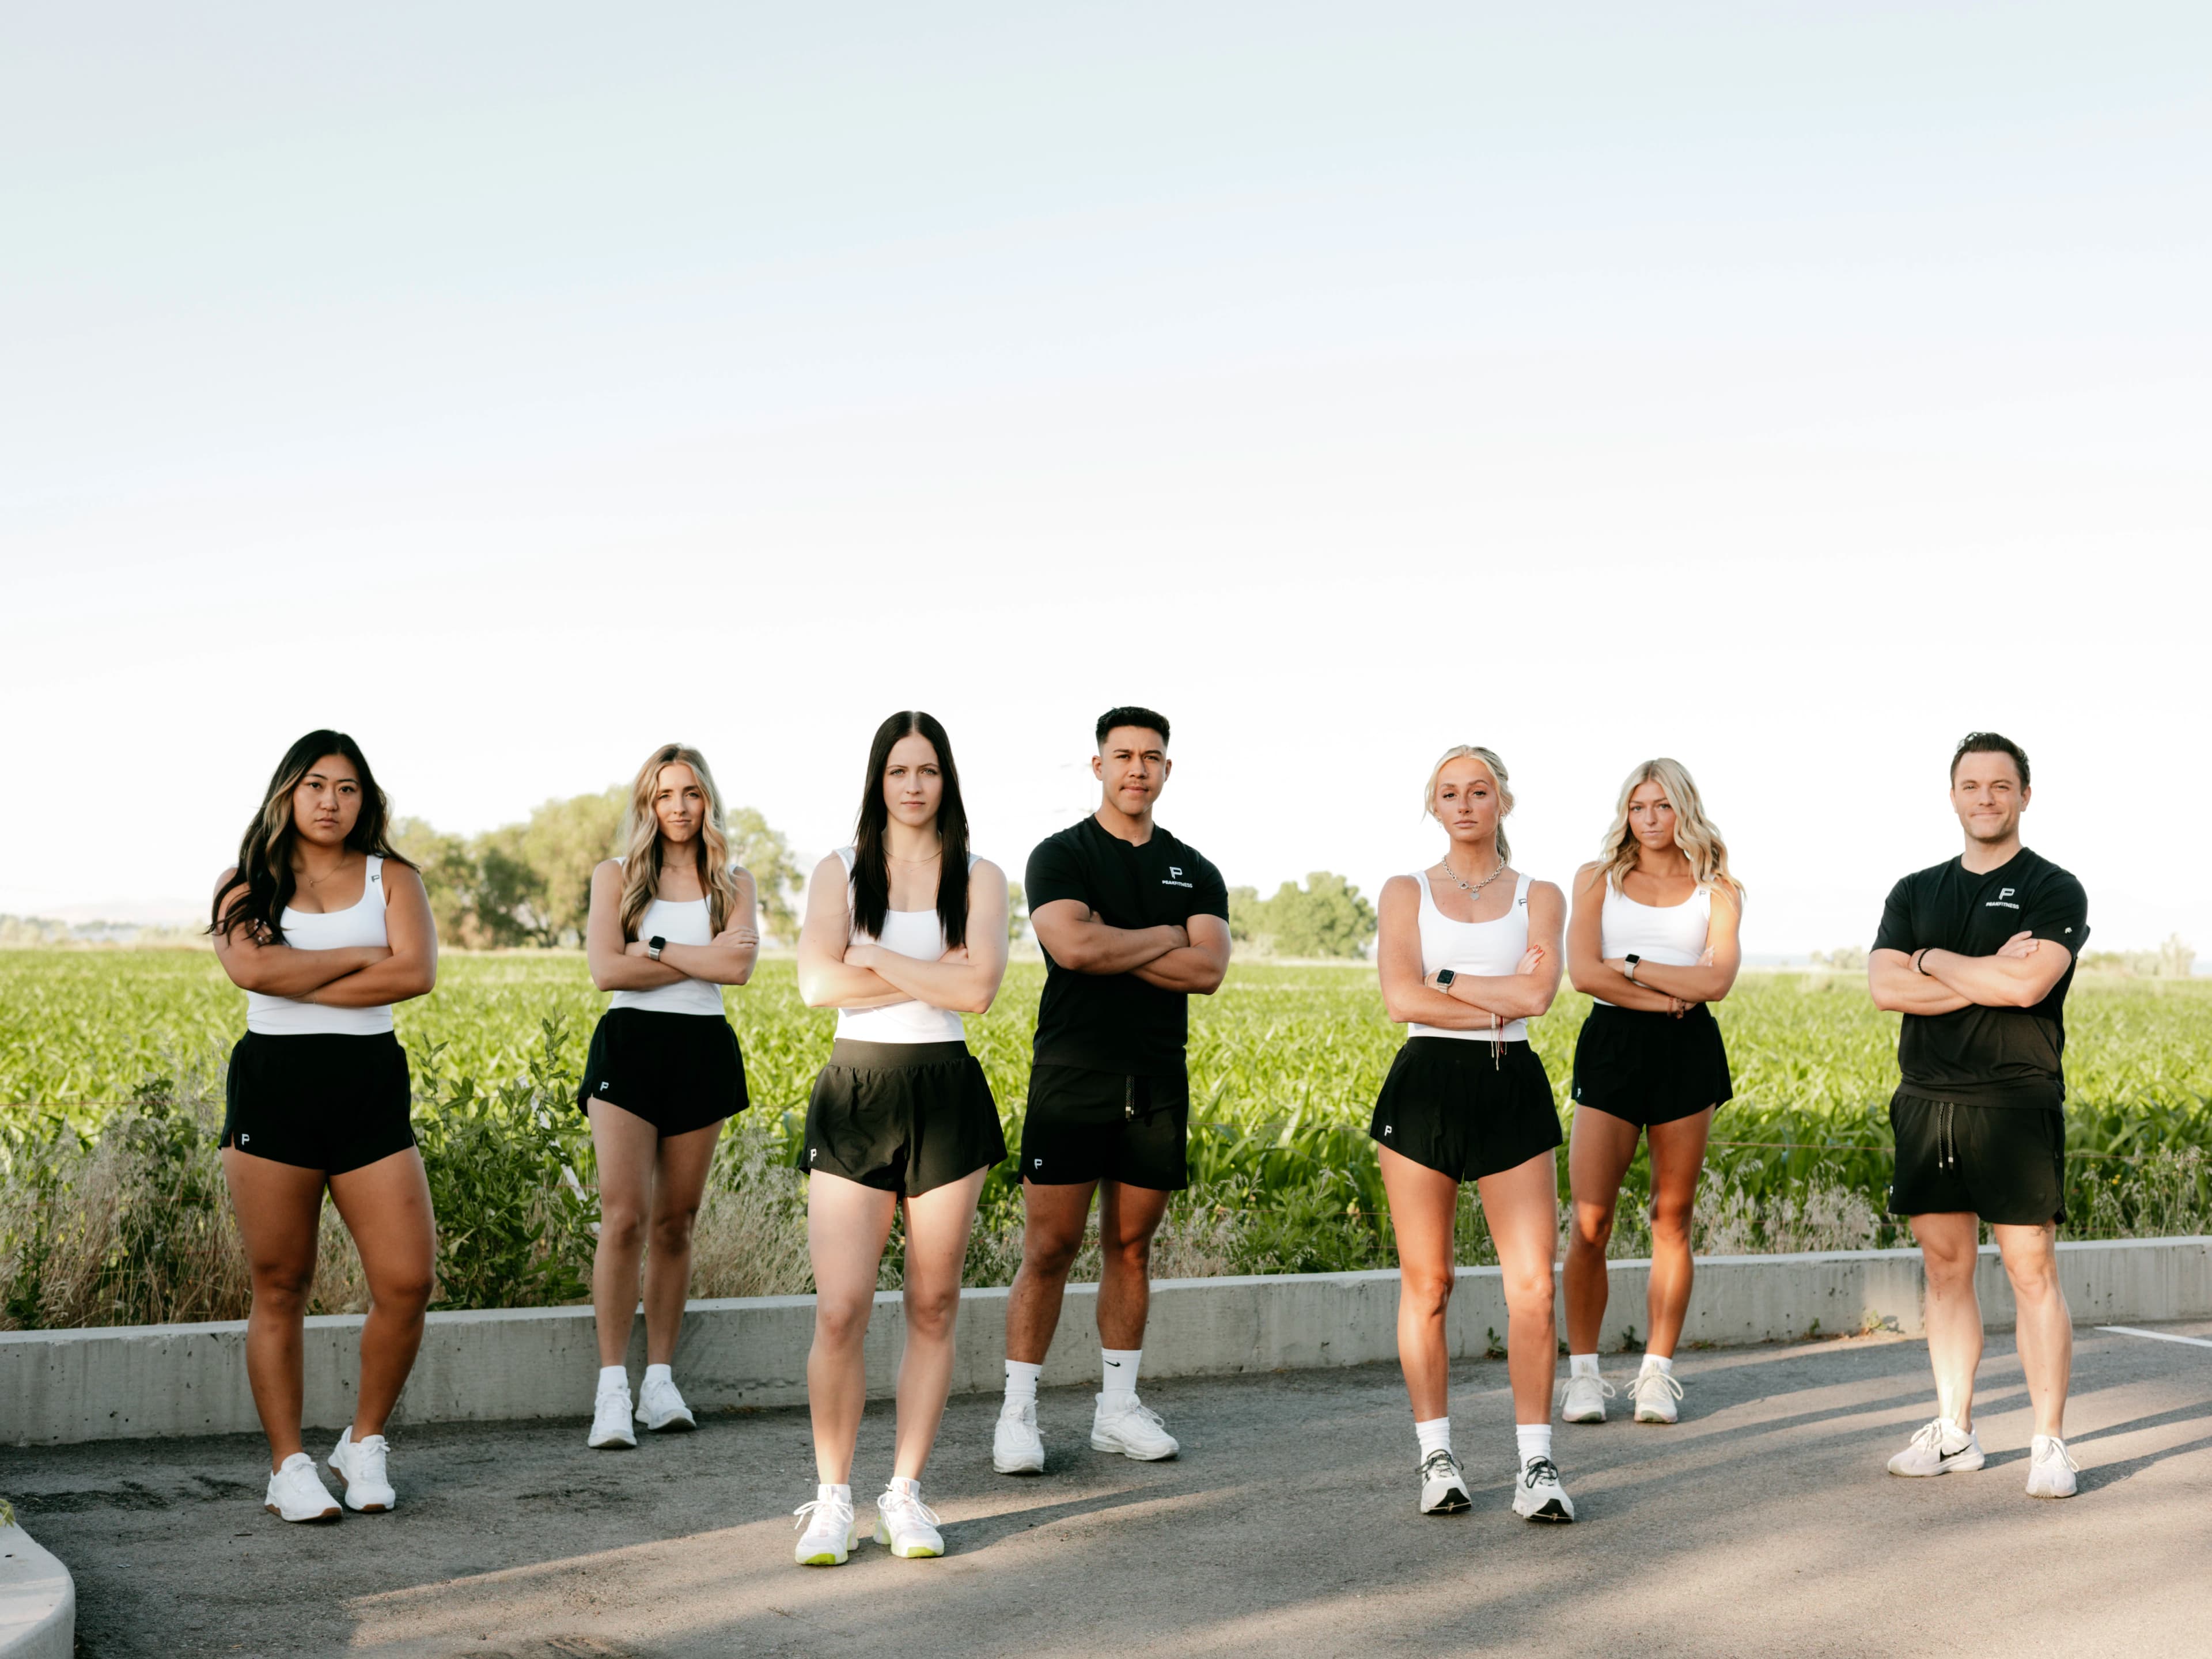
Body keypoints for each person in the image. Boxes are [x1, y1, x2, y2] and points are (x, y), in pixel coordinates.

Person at [791, 713, 1010, 1565]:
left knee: (933, 1302)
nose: (913, 785)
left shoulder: (980, 875)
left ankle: (907, 1494)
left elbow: (981, 989)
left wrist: (873, 958)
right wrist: (931, 974)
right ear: (877, 781)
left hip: (947, 1091)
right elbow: (816, 982)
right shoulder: (839, 871)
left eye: (927, 770)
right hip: (858, 1088)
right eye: (898, 771)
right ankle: (833, 1499)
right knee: (841, 1308)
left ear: (946, 780)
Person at [993, 707, 1230, 1476]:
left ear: (1167, 771)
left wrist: (1115, 944)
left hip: (1157, 1079)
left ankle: (1116, 1411)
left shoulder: (1195, 870)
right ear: (1098, 767)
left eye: (1152, 757)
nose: (1138, 768)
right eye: (1123, 755)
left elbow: (1208, 970)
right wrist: (1165, 935)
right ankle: (1019, 1413)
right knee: (1050, 1247)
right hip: (1071, 1075)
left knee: (1131, 1246)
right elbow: (1070, 944)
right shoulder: (1060, 855)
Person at [210, 730, 438, 1522]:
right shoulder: (245, 883)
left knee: (408, 1281)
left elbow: (415, 974)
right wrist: (363, 955)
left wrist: (302, 971)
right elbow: (254, 972)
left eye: (347, 788)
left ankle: (363, 1441)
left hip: (368, 1086)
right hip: (274, 1086)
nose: (331, 802)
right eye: (316, 786)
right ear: (287, 794)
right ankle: (288, 1466)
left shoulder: (393, 877)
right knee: (281, 1284)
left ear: (365, 799)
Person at [1868, 732, 2087, 1499]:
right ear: (1953, 795)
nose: (1986, 798)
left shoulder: (2055, 888)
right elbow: (1885, 987)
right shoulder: (1914, 890)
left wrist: (1929, 961)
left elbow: (2028, 991)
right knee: (1946, 1269)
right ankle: (1955, 1430)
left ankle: (2049, 1443)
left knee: (2031, 1271)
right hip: (1927, 1100)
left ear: (2025, 795)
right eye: (1972, 785)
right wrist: (1982, 970)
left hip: (2015, 1101)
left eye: (2001, 786)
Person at [1372, 745, 1574, 1520]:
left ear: (1503, 803)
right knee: (1429, 1284)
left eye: (1479, 791)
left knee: (1532, 1285)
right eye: (1450, 793)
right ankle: (1437, 1457)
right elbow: (1399, 999)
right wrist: (1495, 995)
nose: (1464, 804)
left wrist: (1446, 983)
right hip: (1424, 1086)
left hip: (1510, 1085)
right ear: (1435, 806)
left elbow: (1541, 996)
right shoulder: (1405, 892)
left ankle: (1537, 1467)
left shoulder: (1540, 896)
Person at [578, 744, 759, 1450]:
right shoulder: (615, 877)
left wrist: (648, 948)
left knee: (676, 1224)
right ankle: (612, 1391)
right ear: (647, 804)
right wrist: (692, 955)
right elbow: (603, 969)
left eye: (690, 794)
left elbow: (736, 968)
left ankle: (659, 1380)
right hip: (630, 1045)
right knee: (623, 1217)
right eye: (664, 795)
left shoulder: (733, 882)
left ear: (708, 800)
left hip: (701, 1050)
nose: (678, 807)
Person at [1560, 759, 1744, 1427]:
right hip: (1611, 1051)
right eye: (1639, 807)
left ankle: (1656, 1377)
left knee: (1673, 1217)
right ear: (1626, 813)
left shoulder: (1717, 889)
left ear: (1683, 810)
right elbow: (1582, 973)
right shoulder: (1595, 880)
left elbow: (1717, 981)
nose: (1650, 819)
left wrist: (1632, 964)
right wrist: (1668, 990)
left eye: (1663, 806)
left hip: (1688, 1053)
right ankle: (1583, 1377)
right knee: (1590, 1222)